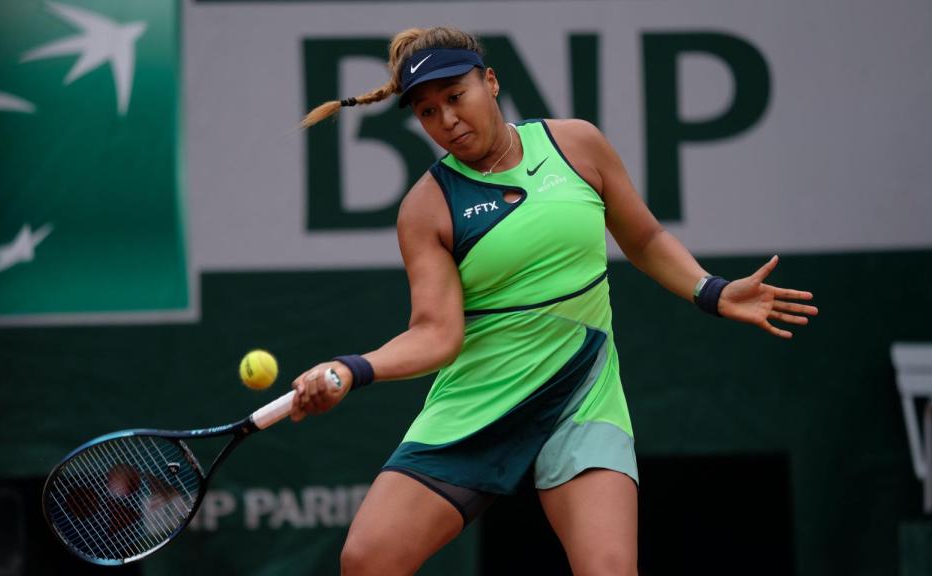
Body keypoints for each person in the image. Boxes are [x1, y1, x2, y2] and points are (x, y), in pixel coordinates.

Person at [290, 26, 818, 576]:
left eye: (455, 97)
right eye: (427, 112)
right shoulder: (426, 209)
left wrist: (710, 290)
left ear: (490, 82)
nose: (446, 119)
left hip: (581, 396)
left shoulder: (577, 145)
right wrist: (352, 369)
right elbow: (436, 333)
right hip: (478, 402)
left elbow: (644, 239)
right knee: (367, 560)